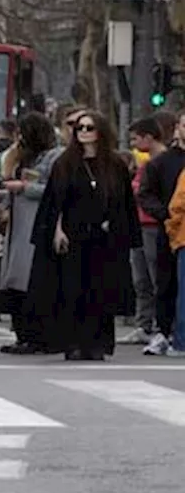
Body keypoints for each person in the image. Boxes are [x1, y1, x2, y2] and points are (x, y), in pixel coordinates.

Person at [30, 111, 138, 360]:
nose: (84, 132)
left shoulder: (114, 165)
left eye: (89, 127)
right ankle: (73, 343)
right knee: (72, 290)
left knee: (100, 291)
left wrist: (119, 227)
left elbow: (123, 203)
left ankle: (97, 344)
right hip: (73, 236)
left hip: (104, 238)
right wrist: (57, 231)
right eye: (80, 128)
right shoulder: (65, 164)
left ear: (101, 131)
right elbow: (55, 202)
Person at [0, 112, 62, 354]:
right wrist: (0, 197)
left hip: (37, 223)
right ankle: (22, 334)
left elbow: (54, 190)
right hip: (17, 223)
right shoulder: (20, 155)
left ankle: (38, 337)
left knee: (32, 280)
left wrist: (25, 187)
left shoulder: (54, 157)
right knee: (15, 282)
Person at [136, 110, 185, 356]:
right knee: (165, 283)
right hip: (169, 230)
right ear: (177, 128)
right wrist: (165, 215)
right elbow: (145, 194)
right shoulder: (161, 163)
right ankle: (164, 330)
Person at [121, 117, 169, 345]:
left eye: (135, 139)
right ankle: (144, 323)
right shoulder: (145, 163)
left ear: (149, 137)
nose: (133, 144)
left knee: (154, 276)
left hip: (153, 224)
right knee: (140, 279)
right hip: (139, 224)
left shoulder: (161, 162)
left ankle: (160, 323)